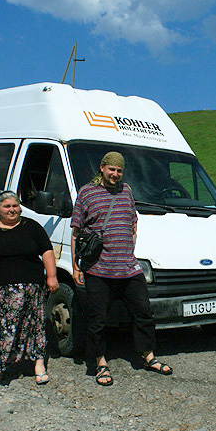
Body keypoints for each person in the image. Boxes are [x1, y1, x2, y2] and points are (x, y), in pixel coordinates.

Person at [71, 152, 172, 386]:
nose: (115, 174)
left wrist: (130, 244)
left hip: (128, 267)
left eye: (119, 171)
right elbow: (76, 230)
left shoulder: (126, 191)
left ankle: (148, 356)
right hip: (98, 269)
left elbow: (133, 220)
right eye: (111, 170)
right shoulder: (86, 192)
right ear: (102, 167)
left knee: (144, 313)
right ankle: (100, 363)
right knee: (97, 320)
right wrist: (77, 266)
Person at [0, 190, 59, 385]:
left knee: (34, 327)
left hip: (31, 288)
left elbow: (47, 251)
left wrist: (51, 276)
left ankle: (38, 365)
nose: (12, 210)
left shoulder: (32, 227)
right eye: (7, 206)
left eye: (15, 205)